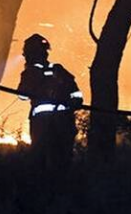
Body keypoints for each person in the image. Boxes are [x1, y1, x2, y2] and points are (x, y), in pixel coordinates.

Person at [16, 34, 82, 169]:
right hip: (64, 121)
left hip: (43, 123)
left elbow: (22, 96)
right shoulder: (58, 70)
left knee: (39, 160)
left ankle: (43, 187)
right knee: (63, 160)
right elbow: (76, 95)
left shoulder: (31, 72)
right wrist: (73, 103)